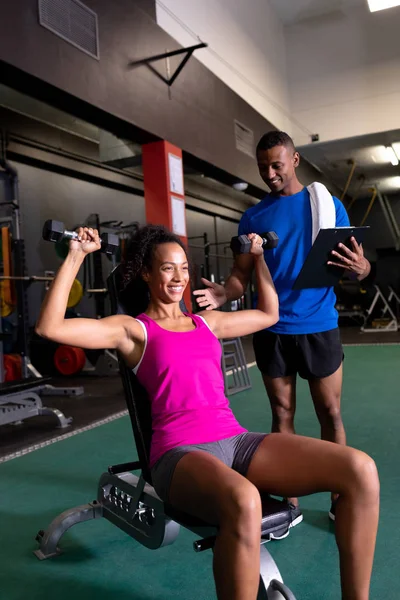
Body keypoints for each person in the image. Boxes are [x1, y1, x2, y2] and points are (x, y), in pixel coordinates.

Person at [35, 224, 379, 600]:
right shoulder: (133, 331)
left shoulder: (207, 323)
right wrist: (76, 255)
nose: (178, 277)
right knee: (245, 501)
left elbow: (268, 312)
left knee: (360, 469)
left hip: (235, 441)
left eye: (183, 267)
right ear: (147, 274)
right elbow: (50, 327)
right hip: (179, 454)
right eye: (167, 268)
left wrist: (259, 257)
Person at [193, 131, 372, 520]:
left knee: (330, 413)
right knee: (282, 413)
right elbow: (241, 274)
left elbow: (354, 263)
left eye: (276, 164)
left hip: (318, 324)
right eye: (262, 168)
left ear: (294, 160)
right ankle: (288, 500)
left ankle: (340, 497)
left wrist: (364, 269)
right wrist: (226, 293)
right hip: (272, 328)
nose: (270, 174)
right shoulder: (253, 216)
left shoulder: (327, 205)